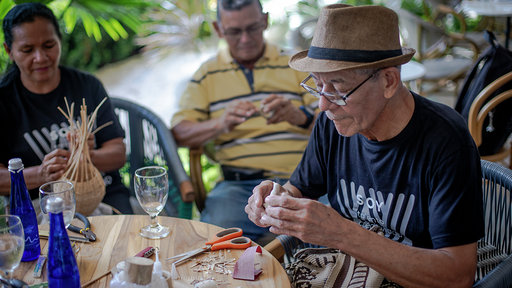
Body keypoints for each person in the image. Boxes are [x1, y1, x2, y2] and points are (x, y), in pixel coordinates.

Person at [245, 4, 484, 287]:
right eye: (319, 85)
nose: (324, 103)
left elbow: (457, 275)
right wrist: (275, 197)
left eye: (338, 86)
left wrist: (342, 233)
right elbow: (299, 189)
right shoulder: (331, 124)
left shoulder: (446, 142)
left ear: (389, 81)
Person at [171, 0, 318, 243]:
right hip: (238, 189)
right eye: (234, 32)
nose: (245, 39)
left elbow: (335, 126)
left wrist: (299, 116)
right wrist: (221, 124)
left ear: (265, 21)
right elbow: (179, 133)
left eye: (252, 28)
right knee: (214, 245)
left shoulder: (296, 64)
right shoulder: (206, 74)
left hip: (301, 182)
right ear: (218, 29)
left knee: (328, 239)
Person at [0, 2, 133, 214]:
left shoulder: (88, 85)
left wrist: (87, 157)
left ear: (60, 40)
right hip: (38, 204)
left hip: (105, 192)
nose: (40, 57)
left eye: (49, 45)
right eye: (27, 49)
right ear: (9, 50)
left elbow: (118, 154)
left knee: (122, 243)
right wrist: (41, 174)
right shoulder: (4, 101)